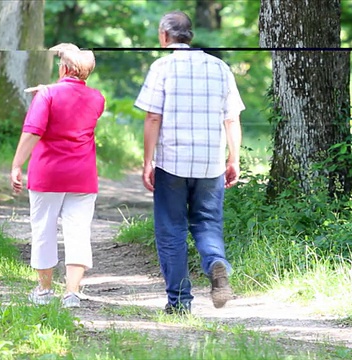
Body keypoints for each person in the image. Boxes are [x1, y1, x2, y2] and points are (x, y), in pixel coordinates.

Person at [134, 10, 245, 314]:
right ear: (191, 36)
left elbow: (153, 116)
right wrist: (233, 159)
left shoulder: (162, 66)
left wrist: (148, 161)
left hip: (172, 163)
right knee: (207, 223)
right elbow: (232, 118)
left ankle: (180, 303)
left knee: (171, 229)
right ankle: (215, 263)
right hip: (210, 164)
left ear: (163, 35)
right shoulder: (220, 67)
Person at [10, 43, 105, 308]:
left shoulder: (47, 95)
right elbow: (75, 104)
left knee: (44, 229)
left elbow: (32, 132)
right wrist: (49, 90)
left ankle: (43, 291)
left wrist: (17, 164)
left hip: (47, 175)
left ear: (62, 68)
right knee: (78, 231)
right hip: (83, 177)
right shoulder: (98, 98)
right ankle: (72, 293)